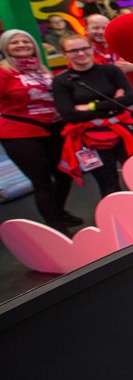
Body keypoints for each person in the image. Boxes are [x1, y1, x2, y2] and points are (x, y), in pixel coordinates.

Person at [52, 34, 133, 197]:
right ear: (64, 54)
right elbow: (69, 114)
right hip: (91, 139)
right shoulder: (61, 81)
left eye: (84, 48)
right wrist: (113, 103)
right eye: (73, 50)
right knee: (108, 183)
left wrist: (90, 106)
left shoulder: (110, 70)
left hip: (125, 131)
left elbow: (128, 99)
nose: (80, 53)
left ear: (91, 48)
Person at [0, 29, 76, 232]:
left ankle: (58, 211)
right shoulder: (4, 72)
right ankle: (56, 226)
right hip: (21, 134)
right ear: (5, 48)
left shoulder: (41, 69)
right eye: (15, 42)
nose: (22, 45)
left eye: (26, 41)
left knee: (64, 174)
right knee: (42, 182)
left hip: (54, 128)